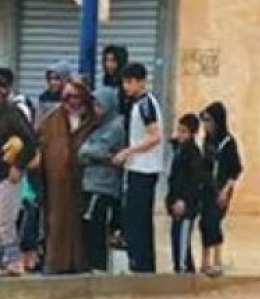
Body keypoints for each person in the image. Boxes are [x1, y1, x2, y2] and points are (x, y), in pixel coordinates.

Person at [0, 75, 37, 277]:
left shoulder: (13, 113)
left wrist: (19, 165)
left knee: (5, 221)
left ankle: (12, 262)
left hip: (8, 174)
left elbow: (30, 141)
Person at [39, 79, 95, 274]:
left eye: (76, 97)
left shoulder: (92, 119)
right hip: (56, 179)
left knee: (80, 222)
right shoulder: (52, 119)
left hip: (83, 179)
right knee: (56, 220)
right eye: (67, 97)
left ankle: (78, 263)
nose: (72, 102)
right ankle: (55, 263)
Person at [113, 62, 165, 273]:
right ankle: (141, 264)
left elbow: (155, 136)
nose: (126, 86)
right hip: (138, 168)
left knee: (138, 220)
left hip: (144, 169)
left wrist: (128, 152)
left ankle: (142, 265)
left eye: (130, 81)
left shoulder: (145, 105)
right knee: (136, 219)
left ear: (140, 82)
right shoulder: (140, 103)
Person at [78, 87, 126, 273]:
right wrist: (100, 155)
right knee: (87, 229)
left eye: (99, 105)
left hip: (103, 187)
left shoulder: (115, 127)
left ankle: (98, 268)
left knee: (97, 229)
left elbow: (91, 151)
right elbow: (82, 152)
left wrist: (95, 153)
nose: (95, 109)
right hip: (89, 183)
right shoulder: (96, 127)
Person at [200, 101, 243, 276]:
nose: (206, 125)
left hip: (222, 188)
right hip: (207, 187)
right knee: (204, 223)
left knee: (214, 222)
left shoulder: (229, 142)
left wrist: (225, 190)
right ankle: (205, 261)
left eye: (209, 120)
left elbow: (236, 169)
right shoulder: (207, 141)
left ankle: (217, 260)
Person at [166, 114, 205, 274]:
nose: (180, 135)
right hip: (176, 203)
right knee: (176, 237)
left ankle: (182, 270)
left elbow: (194, 182)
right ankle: (183, 268)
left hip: (186, 205)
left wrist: (184, 201)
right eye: (179, 131)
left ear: (192, 133)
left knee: (182, 239)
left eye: (184, 132)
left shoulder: (194, 154)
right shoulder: (180, 151)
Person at [36, 61, 73, 126]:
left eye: (57, 79)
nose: (53, 82)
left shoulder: (73, 97)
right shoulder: (45, 97)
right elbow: (39, 122)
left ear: (65, 79)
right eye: (50, 79)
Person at [101, 45, 131, 119]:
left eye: (113, 61)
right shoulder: (107, 80)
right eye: (106, 60)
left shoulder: (127, 82)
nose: (109, 64)